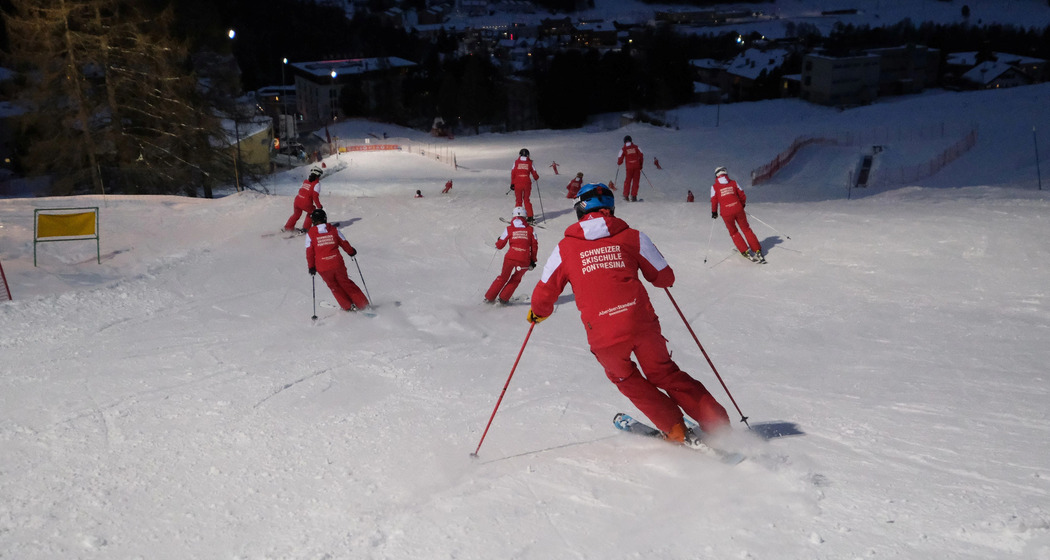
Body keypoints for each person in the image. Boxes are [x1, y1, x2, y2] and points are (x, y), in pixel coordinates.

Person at [527, 183, 730, 443]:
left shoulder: (564, 248)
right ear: (611, 208)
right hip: (641, 324)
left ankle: (674, 427)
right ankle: (718, 424)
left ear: (579, 210)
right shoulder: (632, 236)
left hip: (604, 334)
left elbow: (544, 294)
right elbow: (665, 278)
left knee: (624, 377)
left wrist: (538, 314)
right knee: (663, 372)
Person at [305, 209, 369, 312]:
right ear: (325, 218)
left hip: (323, 267)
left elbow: (309, 252)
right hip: (337, 263)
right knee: (345, 283)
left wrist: (311, 267)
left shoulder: (310, 234)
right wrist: (351, 251)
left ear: (313, 221)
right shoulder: (334, 230)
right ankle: (363, 304)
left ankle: (348, 306)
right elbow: (344, 242)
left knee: (334, 286)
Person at [485, 207, 539, 304]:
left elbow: (499, 245)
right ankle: (503, 299)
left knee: (503, 277)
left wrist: (499, 240)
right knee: (516, 279)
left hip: (510, 258)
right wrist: (533, 260)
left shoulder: (509, 229)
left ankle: (489, 297)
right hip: (524, 259)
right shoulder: (531, 230)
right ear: (525, 217)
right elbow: (534, 246)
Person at [710, 166, 764, 263]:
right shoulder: (733, 183)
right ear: (725, 173)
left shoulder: (714, 187)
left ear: (716, 175)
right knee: (746, 229)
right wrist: (742, 204)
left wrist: (714, 212)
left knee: (734, 232)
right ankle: (757, 249)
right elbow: (742, 194)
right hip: (738, 209)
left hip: (726, 213)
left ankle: (744, 250)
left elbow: (714, 200)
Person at [284, 166, 324, 232]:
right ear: (317, 175)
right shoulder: (316, 184)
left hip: (297, 200)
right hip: (306, 203)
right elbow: (315, 197)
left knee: (296, 214)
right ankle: (306, 228)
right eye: (320, 175)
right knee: (312, 212)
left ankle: (288, 227)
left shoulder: (306, 181)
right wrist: (319, 206)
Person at [511, 148, 540, 223]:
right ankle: (530, 217)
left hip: (517, 182)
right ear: (527, 155)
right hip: (527, 182)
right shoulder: (530, 162)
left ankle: (518, 216)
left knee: (518, 200)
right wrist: (536, 177)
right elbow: (534, 173)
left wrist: (512, 183)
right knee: (526, 199)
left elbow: (513, 173)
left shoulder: (516, 162)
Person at [616, 135, 644, 202]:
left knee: (628, 181)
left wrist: (619, 163)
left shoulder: (623, 149)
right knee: (635, 182)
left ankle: (626, 196)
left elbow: (620, 158)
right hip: (637, 167)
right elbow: (641, 155)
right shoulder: (636, 147)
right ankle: (634, 197)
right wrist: (640, 165)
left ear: (624, 141)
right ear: (631, 140)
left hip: (629, 168)